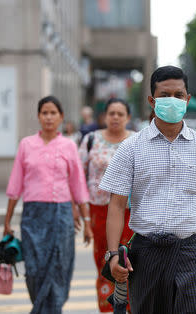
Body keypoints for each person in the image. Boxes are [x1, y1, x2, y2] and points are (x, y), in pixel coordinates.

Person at [99, 65, 196, 313]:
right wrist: (112, 254)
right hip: (147, 253)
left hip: (193, 251)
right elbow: (116, 206)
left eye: (178, 95)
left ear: (187, 99)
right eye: (164, 95)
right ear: (152, 100)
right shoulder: (131, 149)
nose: (172, 101)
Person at [3, 96, 93, 314]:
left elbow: (78, 186)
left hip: (61, 214)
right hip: (32, 215)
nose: (49, 117)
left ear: (61, 117)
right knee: (33, 268)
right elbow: (15, 185)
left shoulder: (69, 146)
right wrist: (7, 221)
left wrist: (87, 222)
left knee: (59, 266)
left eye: (53, 113)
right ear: (38, 116)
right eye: (45, 112)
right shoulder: (26, 144)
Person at [79, 98, 134, 312]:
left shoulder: (136, 141)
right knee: (105, 260)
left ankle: (130, 307)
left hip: (130, 211)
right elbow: (78, 177)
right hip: (99, 211)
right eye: (112, 113)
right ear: (105, 116)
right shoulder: (91, 140)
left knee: (131, 261)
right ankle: (108, 308)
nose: (116, 117)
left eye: (121, 114)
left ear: (128, 118)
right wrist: (80, 210)